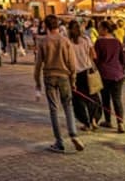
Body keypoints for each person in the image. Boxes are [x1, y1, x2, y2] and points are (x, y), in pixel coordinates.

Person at [34, 14, 84, 153]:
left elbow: (38, 65)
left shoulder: (43, 42)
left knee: (54, 109)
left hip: (49, 76)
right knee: (68, 106)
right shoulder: (65, 41)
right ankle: (73, 134)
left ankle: (59, 142)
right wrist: (73, 80)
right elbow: (72, 63)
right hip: (64, 76)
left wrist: (37, 83)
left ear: (46, 26)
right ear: (57, 25)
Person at [67, 20, 100, 132]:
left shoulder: (68, 42)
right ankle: (94, 119)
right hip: (88, 70)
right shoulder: (86, 39)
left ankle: (86, 123)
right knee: (93, 96)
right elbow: (94, 55)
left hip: (75, 73)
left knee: (78, 99)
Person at [95, 20, 125, 132]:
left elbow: (96, 59)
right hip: (118, 74)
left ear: (105, 29)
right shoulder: (117, 41)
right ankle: (120, 123)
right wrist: (121, 69)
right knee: (117, 99)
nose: (98, 30)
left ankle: (108, 120)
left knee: (105, 98)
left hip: (105, 74)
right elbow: (122, 58)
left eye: (100, 28)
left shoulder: (99, 42)